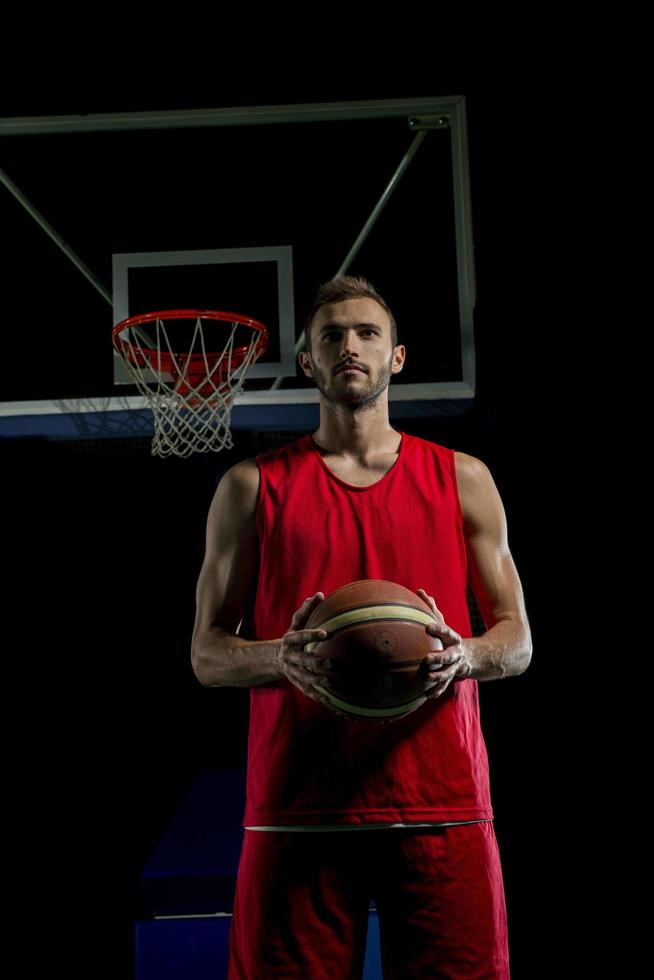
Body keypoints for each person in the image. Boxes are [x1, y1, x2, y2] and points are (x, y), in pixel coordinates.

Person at [191, 275, 532, 979]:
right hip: (299, 807)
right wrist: (279, 658)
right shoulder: (252, 488)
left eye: (367, 333)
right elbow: (206, 653)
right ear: (308, 362)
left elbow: (517, 640)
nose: (350, 346)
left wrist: (465, 655)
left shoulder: (463, 477)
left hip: (441, 801)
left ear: (397, 357)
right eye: (331, 336)